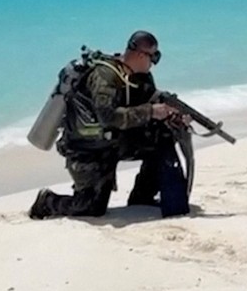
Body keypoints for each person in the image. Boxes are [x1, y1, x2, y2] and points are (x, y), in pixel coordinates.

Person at [29, 31, 180, 219]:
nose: (154, 62)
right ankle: (47, 202)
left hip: (114, 142)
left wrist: (171, 116)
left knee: (162, 135)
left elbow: (145, 105)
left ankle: (142, 196)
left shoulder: (141, 77)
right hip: (87, 149)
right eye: (154, 56)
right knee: (91, 208)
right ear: (141, 55)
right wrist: (151, 111)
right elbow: (108, 117)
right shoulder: (105, 76)